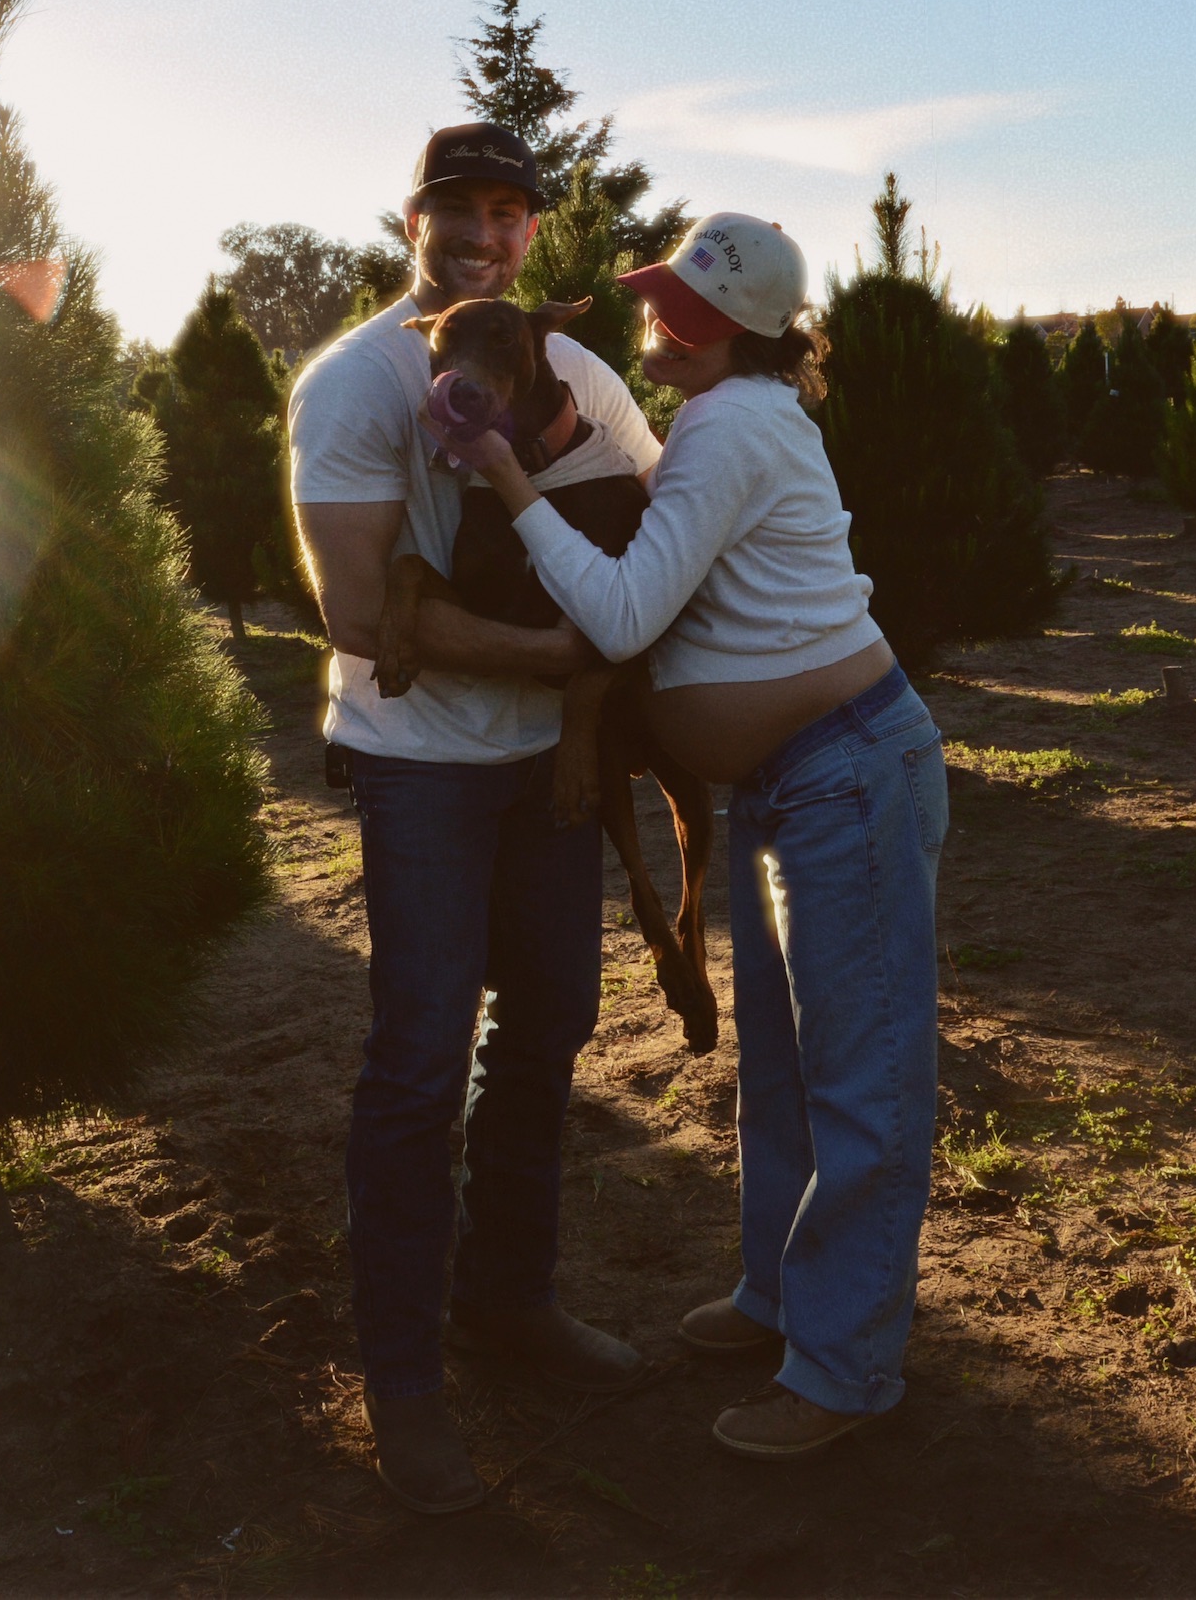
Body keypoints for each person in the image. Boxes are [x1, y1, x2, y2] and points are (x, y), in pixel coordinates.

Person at [450, 212, 948, 1460]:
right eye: (663, 292)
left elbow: (620, 614)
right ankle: (779, 1298)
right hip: (794, 784)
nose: (661, 315)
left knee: (861, 1086)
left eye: (689, 305)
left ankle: (843, 1373)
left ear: (747, 333)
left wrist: (507, 480)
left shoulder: (729, 427)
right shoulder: (726, 422)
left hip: (846, 775)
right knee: (781, 1071)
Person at [288, 124, 662, 1514]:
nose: (487, 232)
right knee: (419, 1053)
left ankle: (507, 1300)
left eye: (510, 212)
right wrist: (565, 661)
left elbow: (657, 521)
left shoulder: (584, 376)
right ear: (413, 222)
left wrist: (605, 673)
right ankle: (404, 1379)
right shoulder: (358, 382)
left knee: (555, 1016)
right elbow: (356, 609)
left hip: (544, 770)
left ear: (530, 236)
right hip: (423, 763)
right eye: (461, 209)